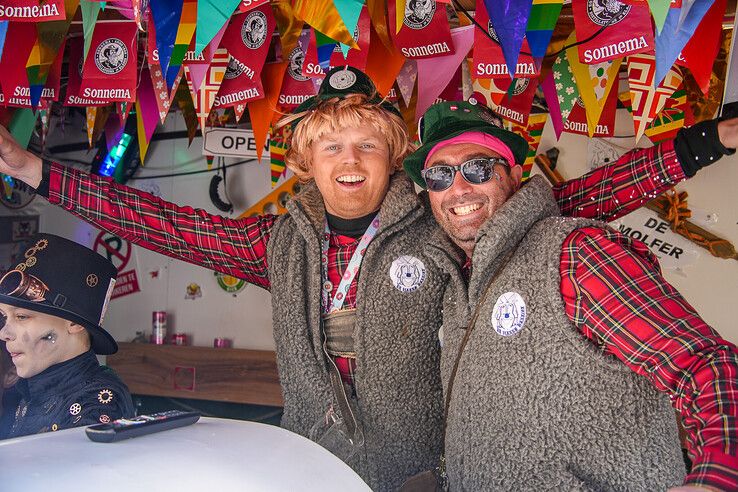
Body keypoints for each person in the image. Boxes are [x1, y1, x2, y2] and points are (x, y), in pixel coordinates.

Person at [0, 66, 730, 489]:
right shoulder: (278, 244)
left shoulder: (449, 221)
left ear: (391, 157)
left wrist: (709, 141)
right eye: (330, 147)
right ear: (308, 164)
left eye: (367, 145)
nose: (349, 161)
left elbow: (583, 198)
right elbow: (166, 225)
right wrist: (36, 172)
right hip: (310, 465)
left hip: (422, 475)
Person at [402, 100, 738, 490]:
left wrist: (717, 478)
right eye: (440, 176)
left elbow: (706, 364)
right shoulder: (457, 274)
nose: (458, 188)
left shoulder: (577, 253)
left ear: (512, 176)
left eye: (477, 168)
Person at [0, 233, 134, 439]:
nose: (4, 333)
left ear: (74, 323)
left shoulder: (97, 403)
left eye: (21, 316)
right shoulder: (26, 389)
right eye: (4, 317)